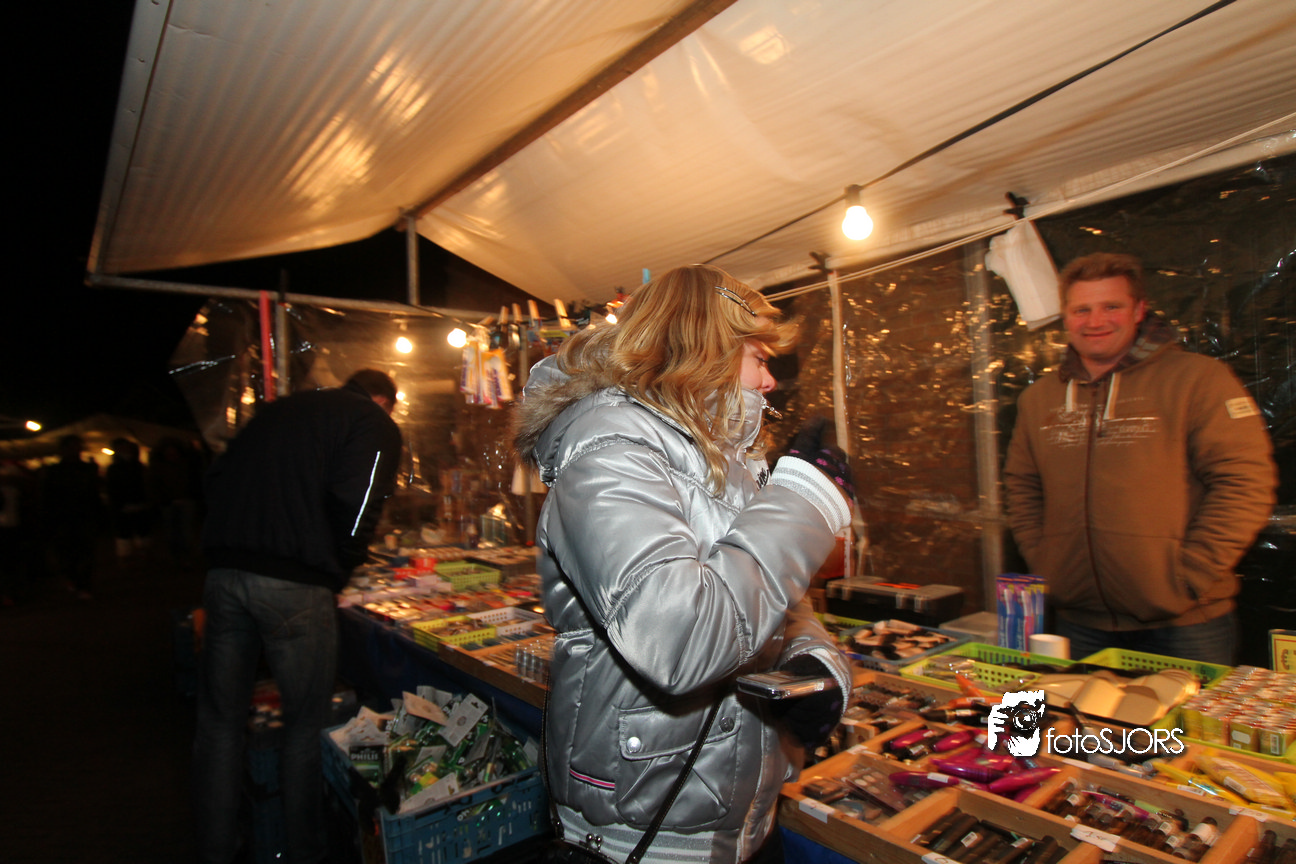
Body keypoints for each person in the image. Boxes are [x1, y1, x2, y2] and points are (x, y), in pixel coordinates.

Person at [512, 264, 854, 864]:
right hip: (647, 830)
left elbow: (767, 593)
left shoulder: (725, 458)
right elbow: (681, 639)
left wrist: (813, 662)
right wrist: (804, 503)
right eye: (759, 358)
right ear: (709, 347)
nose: (769, 380)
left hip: (743, 816)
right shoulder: (607, 451)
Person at [1003, 252, 1276, 665]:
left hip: (1186, 624)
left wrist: (1189, 575)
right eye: (1082, 309)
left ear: (1139, 310)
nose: (1095, 321)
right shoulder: (1039, 397)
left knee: (1184, 714)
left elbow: (1245, 483)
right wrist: (1045, 561)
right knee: (1066, 712)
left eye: (1111, 306)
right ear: (1066, 317)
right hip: (1080, 624)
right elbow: (1022, 486)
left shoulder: (1197, 379)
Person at [193, 369, 403, 864]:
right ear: (383, 399)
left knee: (219, 724)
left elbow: (214, 479)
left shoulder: (279, 410)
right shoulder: (372, 420)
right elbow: (359, 504)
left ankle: (215, 849)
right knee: (304, 729)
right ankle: (304, 853)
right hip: (295, 583)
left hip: (224, 572)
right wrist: (338, 568)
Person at [38, 434, 103, 600]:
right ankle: (75, 580)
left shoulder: (87, 469)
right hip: (63, 517)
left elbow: (94, 493)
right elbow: (47, 496)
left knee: (85, 552)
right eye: (72, 447)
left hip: (83, 516)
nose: (76, 450)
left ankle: (83, 584)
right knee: (68, 553)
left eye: (77, 446)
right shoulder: (54, 471)